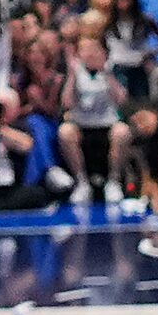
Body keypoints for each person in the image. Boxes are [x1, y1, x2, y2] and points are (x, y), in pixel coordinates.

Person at [62, 31, 129, 201]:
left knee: (122, 131)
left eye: (94, 49)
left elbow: (121, 100)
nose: (90, 54)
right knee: (65, 131)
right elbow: (67, 103)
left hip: (107, 124)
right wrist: (71, 77)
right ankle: (81, 182)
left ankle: (113, 182)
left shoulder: (111, 69)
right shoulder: (74, 72)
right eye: (85, 50)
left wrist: (106, 73)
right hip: (82, 124)